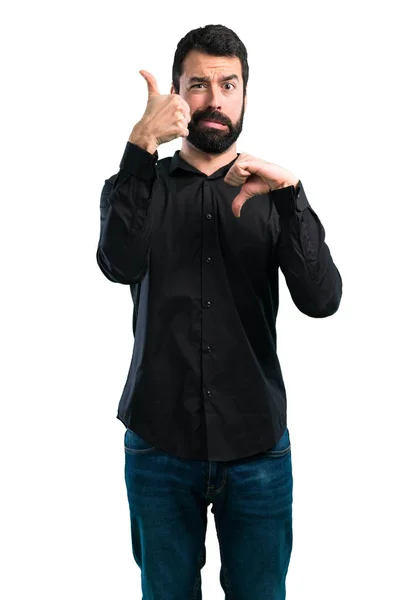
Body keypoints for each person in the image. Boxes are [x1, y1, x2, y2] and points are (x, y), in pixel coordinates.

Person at [96, 23, 342, 600]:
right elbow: (118, 262)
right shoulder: (137, 184)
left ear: (245, 95)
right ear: (178, 95)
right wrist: (139, 146)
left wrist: (293, 195)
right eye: (198, 84)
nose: (214, 99)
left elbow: (323, 300)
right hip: (159, 444)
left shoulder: (275, 196)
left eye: (227, 85)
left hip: (257, 448)